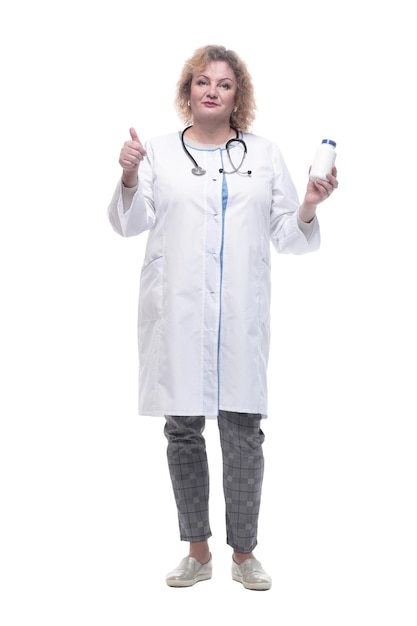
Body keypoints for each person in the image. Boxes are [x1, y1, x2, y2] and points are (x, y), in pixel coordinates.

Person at [107, 44, 338, 591]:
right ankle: (197, 551)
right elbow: (129, 223)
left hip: (239, 314)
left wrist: (307, 202)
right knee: (182, 430)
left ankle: (243, 554)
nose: (212, 90)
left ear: (239, 96)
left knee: (242, 433)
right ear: (188, 91)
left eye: (225, 83)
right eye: (202, 81)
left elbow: (288, 236)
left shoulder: (263, 152)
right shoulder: (159, 152)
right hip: (178, 313)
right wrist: (130, 176)